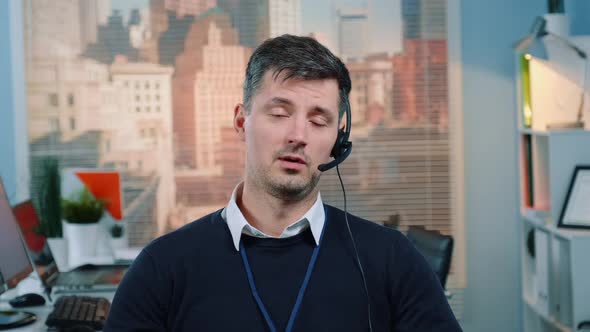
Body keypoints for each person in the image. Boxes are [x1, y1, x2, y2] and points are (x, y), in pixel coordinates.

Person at [105, 34, 462, 332]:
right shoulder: (161, 267)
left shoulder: (393, 260)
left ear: (338, 141)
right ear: (242, 122)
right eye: (279, 114)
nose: (298, 135)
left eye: (318, 120)